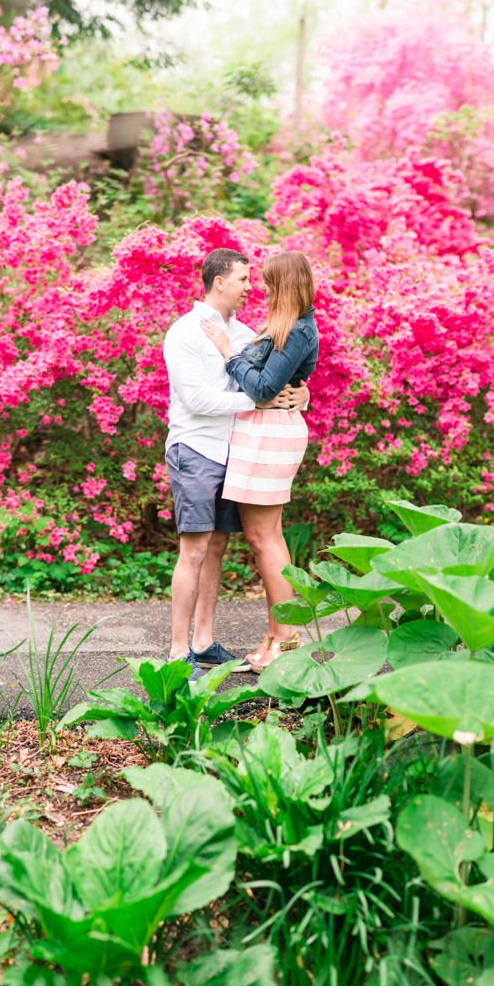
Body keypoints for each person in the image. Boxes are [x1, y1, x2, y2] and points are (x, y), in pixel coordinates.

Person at [163, 247, 310, 681]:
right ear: (219, 281)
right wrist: (261, 397)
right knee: (193, 549)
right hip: (195, 449)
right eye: (244, 279)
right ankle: (177, 654)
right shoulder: (184, 332)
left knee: (219, 548)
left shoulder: (245, 334)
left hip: (236, 452)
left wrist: (302, 395)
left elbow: (283, 377)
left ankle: (205, 644)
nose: (252, 287)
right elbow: (198, 400)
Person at [201, 251, 319, 672]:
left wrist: (228, 353)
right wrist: (301, 391)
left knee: (261, 538)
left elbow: (265, 386)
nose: (261, 287)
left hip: (270, 433)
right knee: (268, 536)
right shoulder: (283, 328)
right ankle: (277, 635)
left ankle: (285, 639)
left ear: (285, 283)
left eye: (268, 281)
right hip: (263, 431)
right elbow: (277, 383)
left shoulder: (297, 331)